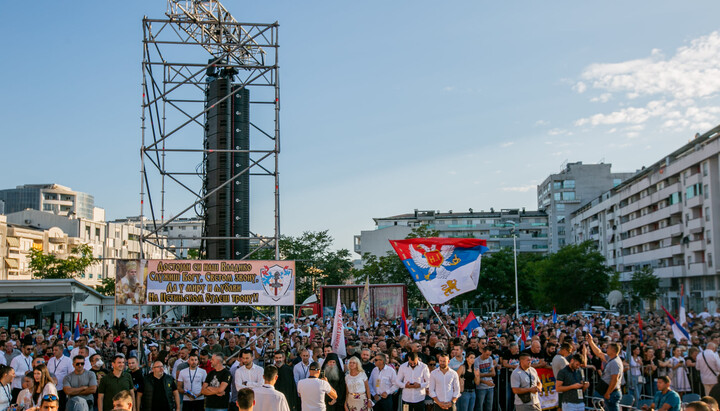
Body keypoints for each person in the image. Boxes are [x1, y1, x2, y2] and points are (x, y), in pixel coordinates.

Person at [586, 335, 622, 411]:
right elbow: (599, 353)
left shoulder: (615, 363)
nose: (606, 349)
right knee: (596, 402)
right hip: (608, 390)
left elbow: (614, 379)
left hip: (612, 392)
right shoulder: (611, 358)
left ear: (613, 351)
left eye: (608, 348)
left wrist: (608, 393)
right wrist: (590, 341)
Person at [48, 344, 73, 411]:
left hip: (62, 388)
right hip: (51, 387)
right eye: (53, 350)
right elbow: (47, 372)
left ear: (61, 351)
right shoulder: (51, 360)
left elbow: (70, 373)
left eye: (56, 350)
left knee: (61, 406)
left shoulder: (68, 360)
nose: (54, 352)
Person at [474, 346, 495, 411]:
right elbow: (476, 375)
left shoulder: (490, 359)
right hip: (481, 387)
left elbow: (493, 373)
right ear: (483, 352)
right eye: (487, 354)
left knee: (489, 406)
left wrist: (482, 375)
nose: (488, 356)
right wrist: (487, 377)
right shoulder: (476, 360)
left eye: (489, 355)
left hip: (490, 386)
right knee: (479, 406)